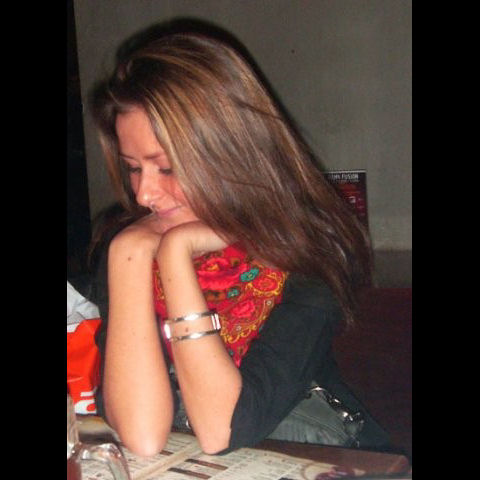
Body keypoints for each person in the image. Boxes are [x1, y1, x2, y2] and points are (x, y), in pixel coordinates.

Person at [88, 27, 390, 457]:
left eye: (166, 168)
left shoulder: (306, 256)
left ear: (229, 154)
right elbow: (142, 435)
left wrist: (175, 255)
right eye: (134, 168)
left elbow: (222, 430)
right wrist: (127, 253)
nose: (143, 195)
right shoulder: (132, 248)